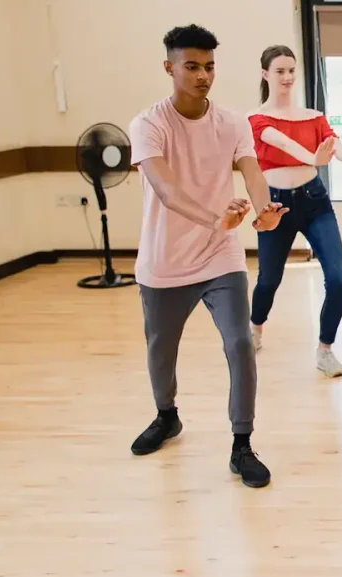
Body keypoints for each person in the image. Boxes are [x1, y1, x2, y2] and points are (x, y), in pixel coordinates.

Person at [127, 24, 288, 489]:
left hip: (220, 257)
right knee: (161, 351)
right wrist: (215, 215)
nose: (203, 76)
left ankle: (242, 445)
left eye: (210, 66)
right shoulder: (149, 125)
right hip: (164, 261)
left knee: (240, 343)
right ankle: (167, 416)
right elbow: (167, 190)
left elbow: (252, 171)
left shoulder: (232, 122)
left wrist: (264, 211)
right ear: (170, 68)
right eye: (192, 66)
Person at [246, 44, 342, 378]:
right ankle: (255, 329)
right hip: (275, 205)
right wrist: (312, 157)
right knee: (269, 280)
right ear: (266, 74)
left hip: (314, 201)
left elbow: (333, 145)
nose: (288, 77)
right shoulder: (256, 119)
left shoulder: (313, 117)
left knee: (338, 280)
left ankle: (325, 350)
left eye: (292, 70)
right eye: (280, 71)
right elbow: (280, 142)